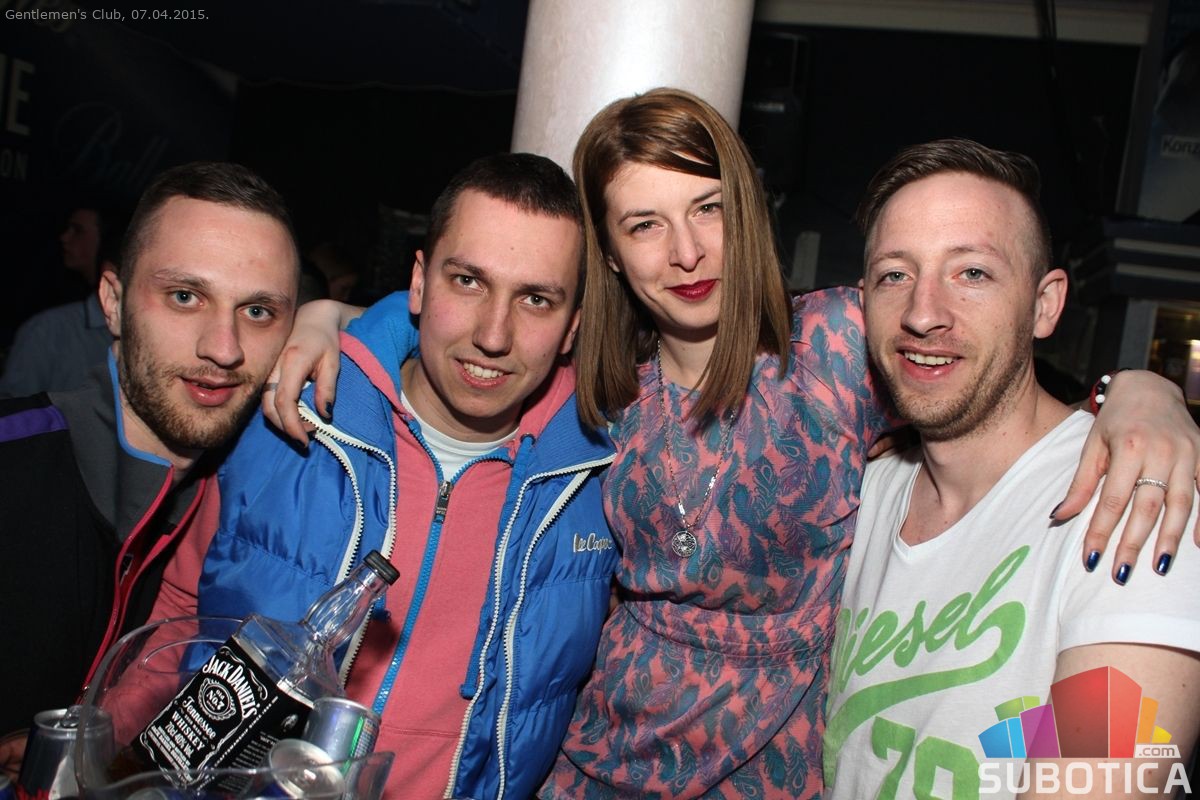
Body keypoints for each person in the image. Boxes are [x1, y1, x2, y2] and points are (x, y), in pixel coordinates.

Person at [265, 91, 1200, 798]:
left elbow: (1118, 759)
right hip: (598, 756)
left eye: (707, 208)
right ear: (611, 253)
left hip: (767, 768)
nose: (685, 252)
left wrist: (1141, 392)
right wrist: (336, 316)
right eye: (644, 224)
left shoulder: (841, 347)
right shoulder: (602, 387)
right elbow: (480, 328)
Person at [157, 153, 617, 800]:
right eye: (468, 281)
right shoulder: (286, 409)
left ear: (572, 327)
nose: (494, 335)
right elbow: (177, 611)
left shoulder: (602, 481)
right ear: (420, 284)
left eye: (535, 299)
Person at [823, 138, 1200, 798]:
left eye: (972, 273)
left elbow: (1096, 782)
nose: (922, 313)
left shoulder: (1133, 503)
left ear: (1044, 304)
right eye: (894, 275)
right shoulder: (860, 490)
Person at [0, 162, 300, 772]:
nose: (223, 348)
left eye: (258, 312)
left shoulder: (239, 506)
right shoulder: (13, 465)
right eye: (185, 297)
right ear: (112, 302)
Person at [0, 216, 124, 397]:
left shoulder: (150, 332)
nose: (64, 238)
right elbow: (13, 407)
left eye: (78, 230)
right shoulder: (49, 330)